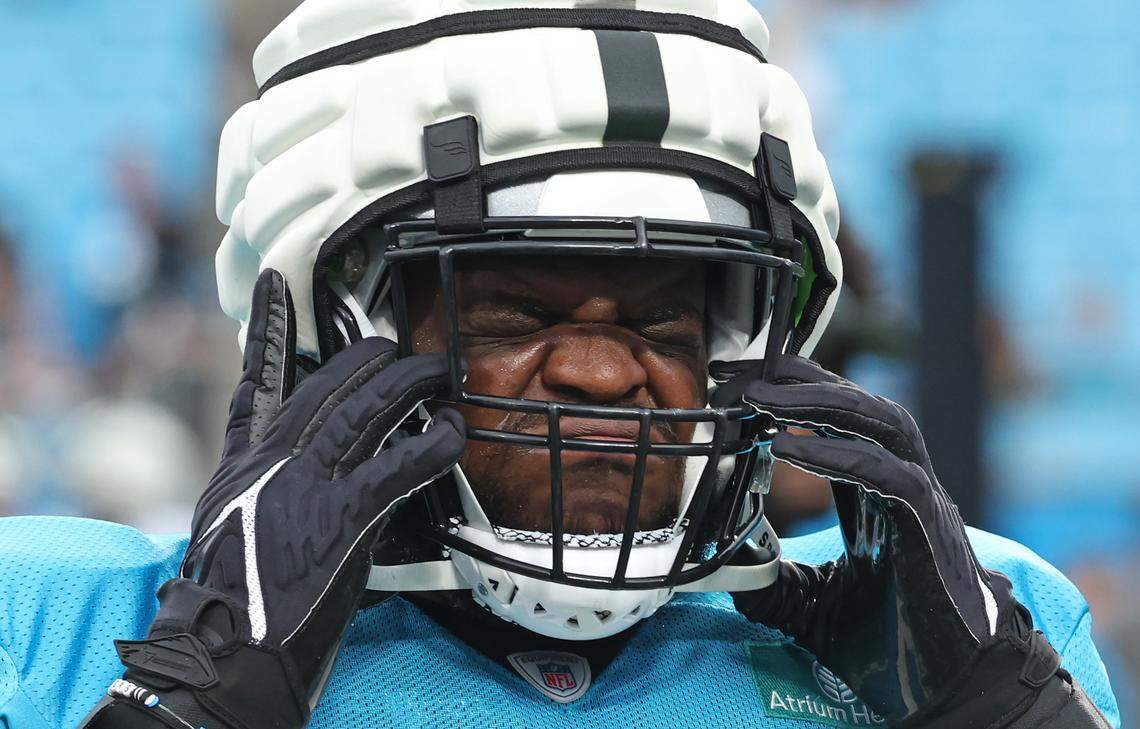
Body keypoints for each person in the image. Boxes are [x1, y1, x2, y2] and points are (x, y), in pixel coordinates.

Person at [0, 2, 1119, 727]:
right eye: (515, 311)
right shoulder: (44, 621)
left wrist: (999, 714)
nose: (598, 371)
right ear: (331, 332)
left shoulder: (985, 632)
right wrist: (193, 699)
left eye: (665, 325)